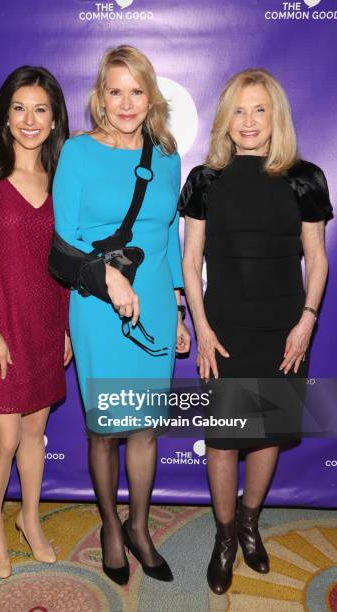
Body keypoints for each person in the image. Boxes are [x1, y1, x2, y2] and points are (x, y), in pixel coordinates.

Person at [180, 68, 332, 595]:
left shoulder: (305, 177)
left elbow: (316, 258)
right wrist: (200, 327)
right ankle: (225, 537)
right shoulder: (205, 179)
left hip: (285, 327)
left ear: (276, 118)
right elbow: (190, 258)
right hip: (223, 329)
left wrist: (307, 322)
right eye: (239, 110)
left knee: (266, 433)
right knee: (223, 440)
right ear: (226, 118)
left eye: (260, 110)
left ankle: (249, 524)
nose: (248, 121)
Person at [53, 45, 190, 584]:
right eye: (116, 91)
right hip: (95, 303)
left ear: (150, 96)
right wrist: (106, 276)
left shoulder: (168, 157)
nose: (127, 102)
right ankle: (110, 525)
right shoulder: (77, 154)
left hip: (154, 301)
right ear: (100, 99)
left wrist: (178, 308)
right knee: (106, 430)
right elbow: (63, 240)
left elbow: (167, 241)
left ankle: (139, 527)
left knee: (146, 429)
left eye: (137, 90)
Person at [0, 66, 72, 579]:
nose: (29, 119)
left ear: (53, 119)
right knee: (3, 438)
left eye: (40, 109)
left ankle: (30, 517)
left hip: (46, 326)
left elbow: (66, 260)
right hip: (0, 330)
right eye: (19, 108)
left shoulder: (60, 180)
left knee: (35, 431)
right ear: (5, 116)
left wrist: (67, 327)